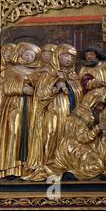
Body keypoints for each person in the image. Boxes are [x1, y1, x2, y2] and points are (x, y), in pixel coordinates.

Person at [23, 44, 83, 181]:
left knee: (65, 136)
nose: (69, 59)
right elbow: (41, 93)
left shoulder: (73, 75)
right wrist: (55, 87)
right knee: (50, 133)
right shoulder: (48, 72)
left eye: (72, 57)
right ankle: (47, 163)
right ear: (58, 55)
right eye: (66, 55)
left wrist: (68, 86)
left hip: (69, 112)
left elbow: (79, 94)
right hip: (52, 110)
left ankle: (61, 164)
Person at [0, 42, 41, 179]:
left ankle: (26, 167)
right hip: (14, 105)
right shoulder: (12, 69)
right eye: (26, 54)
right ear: (21, 54)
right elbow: (6, 87)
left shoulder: (37, 70)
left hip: (31, 107)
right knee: (13, 132)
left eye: (32, 56)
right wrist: (21, 88)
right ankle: (10, 167)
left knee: (29, 134)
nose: (29, 57)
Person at [45, 91, 106, 181]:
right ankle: (74, 174)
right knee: (98, 165)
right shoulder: (85, 116)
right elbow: (82, 138)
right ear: (92, 102)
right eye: (99, 105)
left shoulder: (79, 111)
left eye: (102, 105)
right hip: (74, 148)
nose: (101, 108)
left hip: (66, 147)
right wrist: (98, 128)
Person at [79, 46, 106, 117]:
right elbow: (82, 81)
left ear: (97, 55)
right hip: (90, 97)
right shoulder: (84, 68)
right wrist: (92, 83)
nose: (88, 57)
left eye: (91, 54)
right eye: (86, 55)